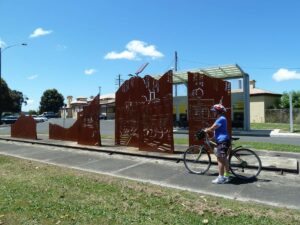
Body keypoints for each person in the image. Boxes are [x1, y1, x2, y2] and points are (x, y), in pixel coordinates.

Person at [205, 103, 230, 184]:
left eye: (214, 111)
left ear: (218, 112)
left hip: (222, 141)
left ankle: (221, 178)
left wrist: (205, 130)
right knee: (224, 158)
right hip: (223, 140)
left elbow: (212, 128)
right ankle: (226, 176)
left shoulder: (221, 119)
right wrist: (212, 138)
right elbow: (218, 131)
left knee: (220, 159)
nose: (213, 113)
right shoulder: (222, 118)